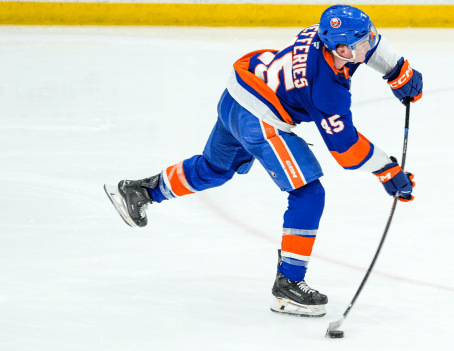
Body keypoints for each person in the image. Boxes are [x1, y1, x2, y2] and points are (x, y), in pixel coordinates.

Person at [104, 4, 422, 318]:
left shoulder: (325, 37)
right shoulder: (326, 89)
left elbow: (372, 44)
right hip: (260, 117)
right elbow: (346, 149)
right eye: (360, 44)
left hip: (239, 91)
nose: (369, 44)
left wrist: (398, 71)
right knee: (309, 193)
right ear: (340, 49)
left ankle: (140, 191)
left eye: (368, 37)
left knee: (214, 168)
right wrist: (387, 169)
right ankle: (289, 285)